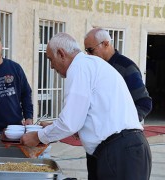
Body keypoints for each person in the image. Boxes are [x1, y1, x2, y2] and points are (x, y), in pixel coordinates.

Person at [20, 32, 152, 180]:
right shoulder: (92, 64)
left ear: (61, 53)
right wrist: (53, 126)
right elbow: (86, 114)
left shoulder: (79, 67)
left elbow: (70, 123)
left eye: (51, 59)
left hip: (120, 152)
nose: (51, 66)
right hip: (127, 150)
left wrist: (38, 137)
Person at [84, 28, 153, 179]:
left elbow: (144, 103)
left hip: (121, 147)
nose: (88, 55)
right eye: (86, 51)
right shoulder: (94, 69)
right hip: (97, 148)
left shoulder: (126, 67)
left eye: (90, 50)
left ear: (106, 44)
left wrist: (121, 122)